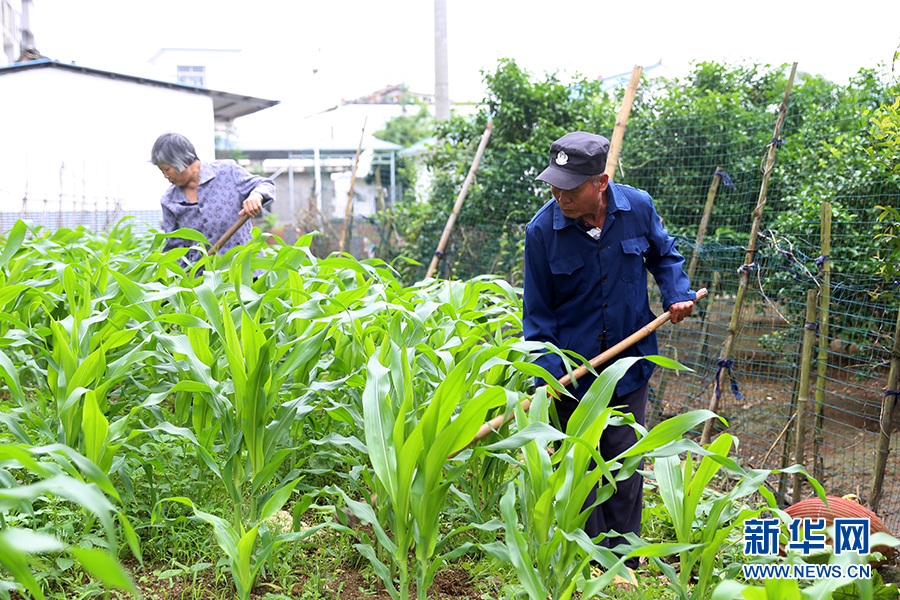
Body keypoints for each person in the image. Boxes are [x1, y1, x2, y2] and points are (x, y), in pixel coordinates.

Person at [522, 131, 695, 585]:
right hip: (571, 375)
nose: (560, 196)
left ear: (600, 182)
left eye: (570, 188)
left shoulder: (636, 207)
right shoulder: (542, 232)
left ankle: (622, 563)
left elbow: (665, 254)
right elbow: (537, 318)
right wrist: (548, 375)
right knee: (578, 465)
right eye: (554, 186)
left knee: (623, 463)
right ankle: (588, 562)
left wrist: (677, 293)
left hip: (628, 364)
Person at [151, 132, 275, 269]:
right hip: (204, 281)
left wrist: (256, 195)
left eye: (167, 169)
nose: (165, 175)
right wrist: (180, 273)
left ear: (183, 161)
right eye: (161, 170)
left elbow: (265, 184)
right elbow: (173, 247)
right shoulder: (170, 200)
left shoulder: (227, 171)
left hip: (246, 269)